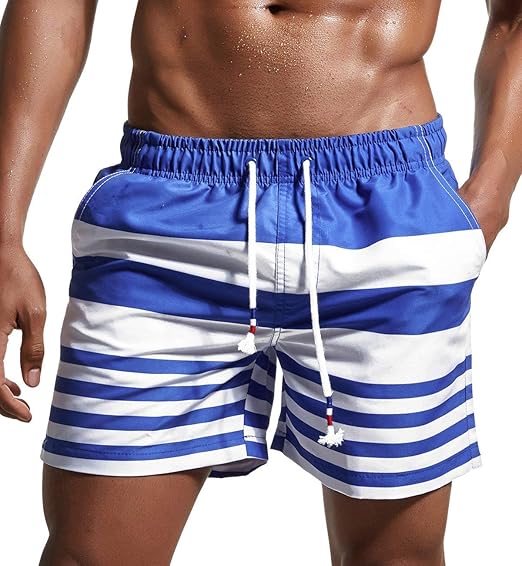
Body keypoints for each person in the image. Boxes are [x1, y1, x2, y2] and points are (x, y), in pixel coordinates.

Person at [0, 1, 520, 564]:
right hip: (166, 214)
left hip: (387, 217)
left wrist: (491, 194)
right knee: (90, 555)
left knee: (397, 559)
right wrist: (2, 234)